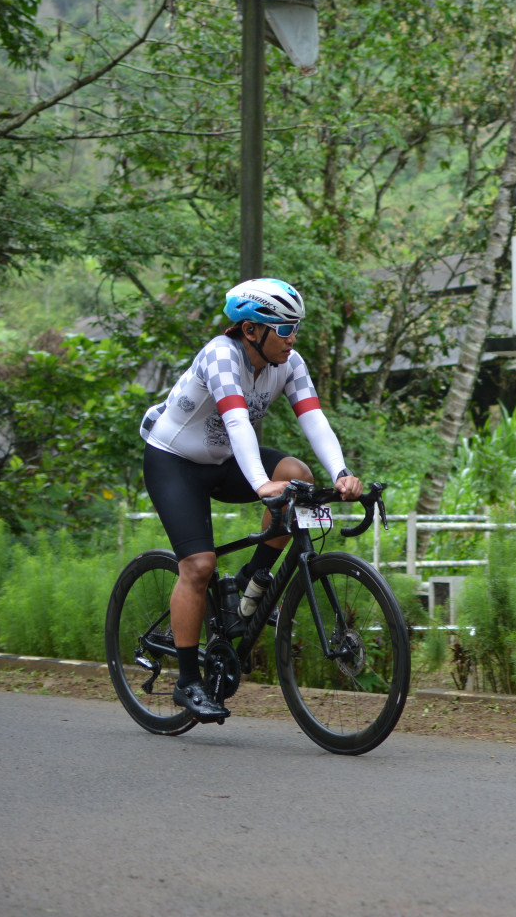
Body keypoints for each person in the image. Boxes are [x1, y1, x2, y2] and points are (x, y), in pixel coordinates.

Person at [139, 278, 362, 722]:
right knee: (198, 566)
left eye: (296, 328)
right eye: (285, 329)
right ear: (251, 330)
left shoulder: (289, 362)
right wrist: (260, 484)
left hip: (225, 461)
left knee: (298, 478)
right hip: (175, 461)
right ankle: (188, 682)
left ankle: (252, 580)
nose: (292, 338)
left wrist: (341, 473)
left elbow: (314, 419)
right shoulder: (220, 355)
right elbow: (238, 423)